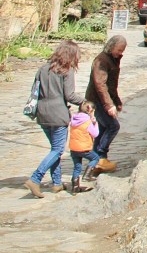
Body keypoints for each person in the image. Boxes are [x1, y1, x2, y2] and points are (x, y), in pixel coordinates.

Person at [25, 40, 84, 198]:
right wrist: (85, 102)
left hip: (42, 113)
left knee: (54, 150)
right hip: (58, 115)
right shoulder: (67, 71)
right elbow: (69, 95)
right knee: (58, 150)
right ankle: (35, 178)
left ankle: (57, 183)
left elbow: (34, 91)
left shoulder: (43, 68)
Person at [85, 34, 126, 174]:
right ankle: (100, 157)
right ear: (111, 46)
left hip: (103, 100)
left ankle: (97, 162)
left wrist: (117, 101)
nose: (120, 53)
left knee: (102, 130)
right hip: (97, 101)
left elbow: (112, 84)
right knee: (113, 126)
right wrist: (109, 105)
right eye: (119, 50)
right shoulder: (101, 61)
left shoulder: (113, 59)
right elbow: (100, 85)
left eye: (122, 51)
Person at [68, 100, 100, 194]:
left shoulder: (73, 119)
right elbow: (95, 134)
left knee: (77, 167)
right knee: (95, 158)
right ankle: (87, 175)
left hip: (73, 148)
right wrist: (95, 123)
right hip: (84, 148)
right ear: (90, 110)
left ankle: (75, 188)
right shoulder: (87, 121)